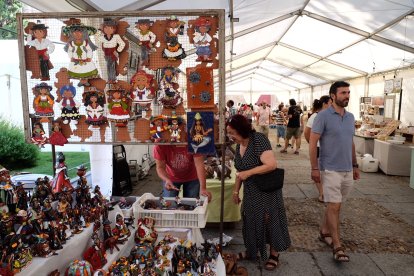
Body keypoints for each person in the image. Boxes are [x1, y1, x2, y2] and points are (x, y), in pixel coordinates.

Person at [227, 114, 290, 271]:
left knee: (270, 220)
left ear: (242, 130)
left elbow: (271, 165)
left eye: (232, 133)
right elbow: (239, 172)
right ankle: (252, 251)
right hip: (250, 192)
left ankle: (274, 254)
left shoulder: (258, 140)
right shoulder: (238, 146)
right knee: (251, 221)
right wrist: (235, 191)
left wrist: (249, 173)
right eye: (229, 133)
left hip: (266, 190)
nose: (230, 136)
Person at [309, 81, 360, 263]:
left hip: (347, 169)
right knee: (334, 206)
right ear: (333, 95)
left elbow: (351, 142)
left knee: (335, 204)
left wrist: (355, 165)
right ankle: (337, 246)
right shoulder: (322, 116)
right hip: (329, 168)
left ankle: (324, 231)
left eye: (348, 92)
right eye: (343, 93)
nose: (347, 96)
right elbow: (313, 142)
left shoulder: (350, 117)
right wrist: (315, 168)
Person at [304, 95, 331, 202]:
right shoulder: (315, 116)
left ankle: (326, 191)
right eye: (330, 103)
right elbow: (307, 132)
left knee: (326, 172)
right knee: (318, 171)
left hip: (329, 148)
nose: (332, 105)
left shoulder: (331, 116)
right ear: (324, 104)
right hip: (319, 148)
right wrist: (312, 144)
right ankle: (322, 193)